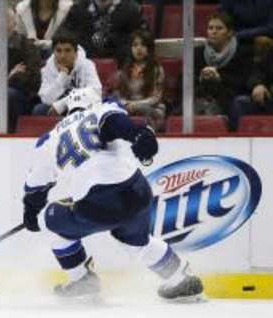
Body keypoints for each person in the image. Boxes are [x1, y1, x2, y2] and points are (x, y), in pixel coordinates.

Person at [22, 87, 205, 301]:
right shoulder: (102, 107)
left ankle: (82, 280)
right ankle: (181, 278)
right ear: (94, 101)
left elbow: (35, 187)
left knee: (50, 218)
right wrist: (140, 134)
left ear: (67, 111)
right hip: (137, 191)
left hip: (97, 205)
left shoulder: (49, 139)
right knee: (137, 243)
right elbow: (116, 124)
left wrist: (31, 211)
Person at [32, 31, 101, 115]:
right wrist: (63, 76)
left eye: (67, 50)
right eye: (58, 51)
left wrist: (61, 105)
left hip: (79, 108)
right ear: (54, 52)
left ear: (75, 53)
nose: (63, 56)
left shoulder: (87, 65)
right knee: (39, 109)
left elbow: (96, 92)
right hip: (56, 109)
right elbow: (46, 99)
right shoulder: (49, 67)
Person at [58, 0, 147, 61]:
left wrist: (111, 40)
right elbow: (64, 37)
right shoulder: (78, 9)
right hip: (84, 67)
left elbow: (143, 39)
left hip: (122, 68)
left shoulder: (132, 10)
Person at [113, 29, 165, 130]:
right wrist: (127, 104)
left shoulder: (157, 70)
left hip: (151, 109)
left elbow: (156, 98)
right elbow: (118, 96)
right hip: (128, 107)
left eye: (143, 45)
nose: (139, 48)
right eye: (135, 45)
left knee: (144, 109)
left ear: (149, 48)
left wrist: (135, 105)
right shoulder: (123, 71)